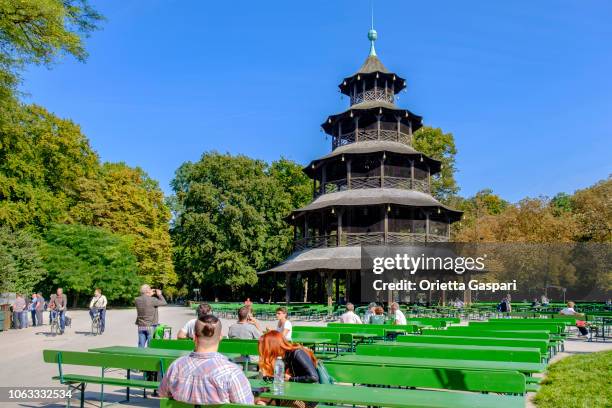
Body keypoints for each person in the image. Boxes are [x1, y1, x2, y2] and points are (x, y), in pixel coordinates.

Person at [159, 315, 254, 405]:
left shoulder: (176, 366)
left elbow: (163, 395)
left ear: (194, 337)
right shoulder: (232, 372)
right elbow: (245, 405)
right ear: (220, 337)